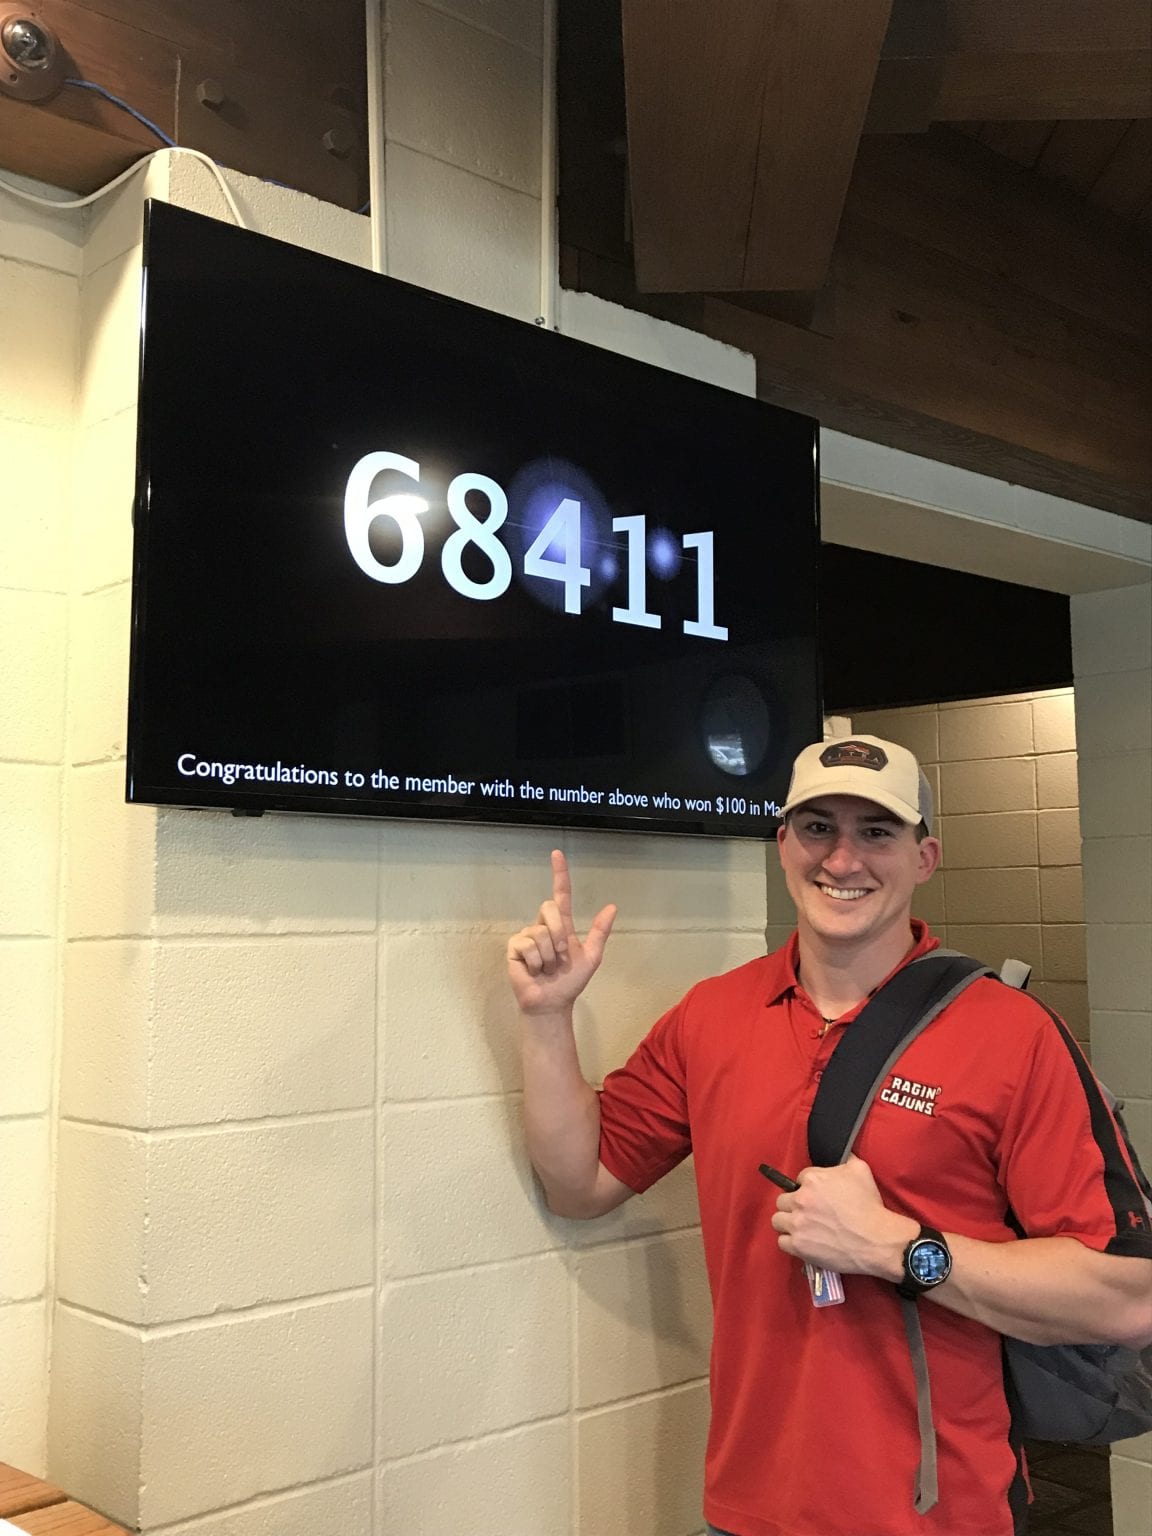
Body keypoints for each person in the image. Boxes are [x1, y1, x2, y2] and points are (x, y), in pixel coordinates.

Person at [506, 734, 1152, 1536]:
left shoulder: (1013, 1035)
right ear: (783, 844)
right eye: (818, 827)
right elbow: (580, 1184)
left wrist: (900, 1249)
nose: (843, 859)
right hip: (748, 1507)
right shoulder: (711, 1016)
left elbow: (1130, 1297)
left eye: (876, 832)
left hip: (942, 1514)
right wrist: (547, 1016)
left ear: (924, 858)